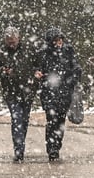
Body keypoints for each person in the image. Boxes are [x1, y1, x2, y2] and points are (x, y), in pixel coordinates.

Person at [0, 26, 38, 162]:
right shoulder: (0, 53)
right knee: (17, 119)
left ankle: (20, 145)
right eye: (9, 40)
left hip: (28, 91)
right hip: (11, 92)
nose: (11, 43)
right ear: (5, 40)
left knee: (24, 121)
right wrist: (2, 71)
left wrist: (36, 75)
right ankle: (19, 151)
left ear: (18, 38)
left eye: (13, 40)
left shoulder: (29, 50)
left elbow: (38, 65)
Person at [34, 27, 82, 161]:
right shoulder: (43, 53)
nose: (59, 42)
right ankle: (52, 149)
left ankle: (56, 146)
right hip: (49, 92)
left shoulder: (68, 50)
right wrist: (39, 74)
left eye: (60, 39)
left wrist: (70, 81)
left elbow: (77, 68)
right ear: (50, 42)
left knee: (60, 121)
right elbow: (37, 69)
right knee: (51, 120)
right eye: (56, 40)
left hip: (65, 92)